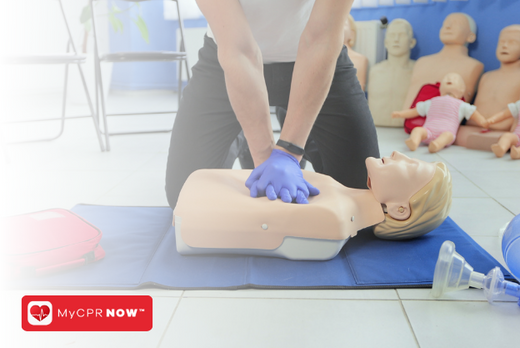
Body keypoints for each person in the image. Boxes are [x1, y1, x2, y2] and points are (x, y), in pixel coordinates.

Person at [165, 0, 379, 210]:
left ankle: (302, 131)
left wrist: (289, 151)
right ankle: (242, 134)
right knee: (183, 197)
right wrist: (264, 157)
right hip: (228, 56)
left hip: (317, 56)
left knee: (361, 191)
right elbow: (239, 48)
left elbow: (320, 39)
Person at [173, 152, 452, 259]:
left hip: (192, 215)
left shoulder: (334, 217)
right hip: (198, 191)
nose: (398, 153)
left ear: (400, 210)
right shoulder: (334, 191)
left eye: (410, 165)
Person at [455, 25, 520, 150]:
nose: (504, 46)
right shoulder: (487, 76)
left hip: (502, 132)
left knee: (506, 139)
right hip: (472, 127)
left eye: (512, 42)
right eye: (501, 42)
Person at [402, 13, 483, 111]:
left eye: (457, 24)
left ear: (470, 36)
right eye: (445, 24)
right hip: (407, 122)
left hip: (441, 124)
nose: (448, 26)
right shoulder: (421, 62)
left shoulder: (473, 66)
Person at [392, 73, 489, 153]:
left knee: (448, 136)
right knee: (418, 130)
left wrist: (484, 122)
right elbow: (415, 111)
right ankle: (414, 141)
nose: (449, 78)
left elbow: (474, 114)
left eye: (454, 79)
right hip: (428, 130)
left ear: (461, 90)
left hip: (446, 132)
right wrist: (400, 114)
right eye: (446, 78)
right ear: (440, 88)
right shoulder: (432, 101)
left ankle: (437, 144)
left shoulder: (461, 105)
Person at [368, 18, 416, 127]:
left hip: (404, 128)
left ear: (412, 42)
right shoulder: (375, 71)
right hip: (377, 125)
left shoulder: (417, 70)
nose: (396, 39)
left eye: (402, 35)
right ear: (386, 42)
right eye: (392, 35)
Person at [344, 14, 369, 91]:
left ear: (351, 33)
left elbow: (359, 90)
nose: (337, 28)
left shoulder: (360, 60)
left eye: (342, 24)